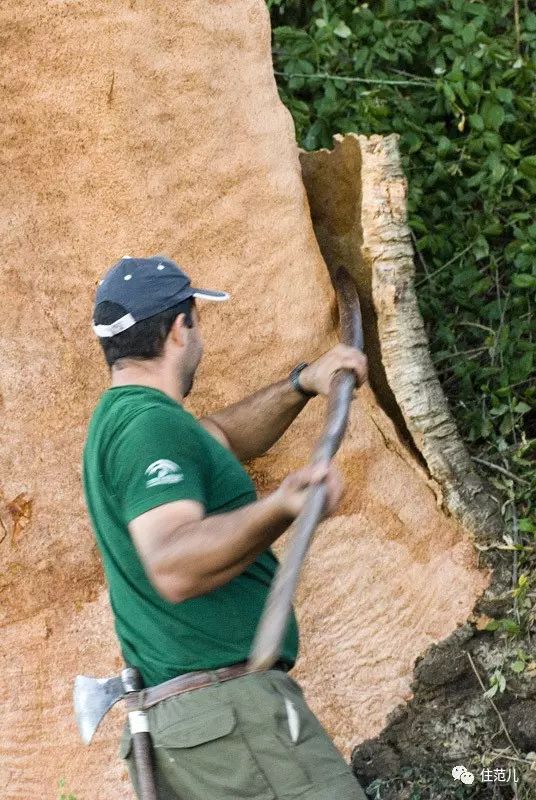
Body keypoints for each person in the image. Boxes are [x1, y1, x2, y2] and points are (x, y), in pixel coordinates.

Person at [82, 255, 369, 800]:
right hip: (232, 718)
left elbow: (221, 439)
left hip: (197, 728)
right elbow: (172, 564)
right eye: (196, 323)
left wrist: (302, 382)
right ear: (178, 328)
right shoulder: (148, 427)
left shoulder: (129, 421)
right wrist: (280, 506)